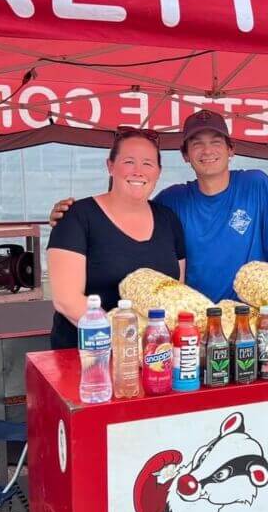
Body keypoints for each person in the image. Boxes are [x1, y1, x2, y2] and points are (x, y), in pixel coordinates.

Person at [50, 110, 268, 303]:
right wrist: (71, 219)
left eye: (216, 142)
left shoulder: (255, 185)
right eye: (196, 143)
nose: (207, 150)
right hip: (192, 325)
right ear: (186, 155)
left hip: (250, 320)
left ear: (231, 149)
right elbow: (126, 219)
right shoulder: (172, 200)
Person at [47, 128, 185, 349]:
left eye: (148, 163)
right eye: (129, 161)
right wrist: (129, 342)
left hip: (153, 357)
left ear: (159, 172)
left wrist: (154, 344)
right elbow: (67, 300)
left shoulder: (169, 220)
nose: (138, 171)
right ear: (110, 166)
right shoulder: (77, 217)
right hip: (87, 357)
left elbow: (175, 293)